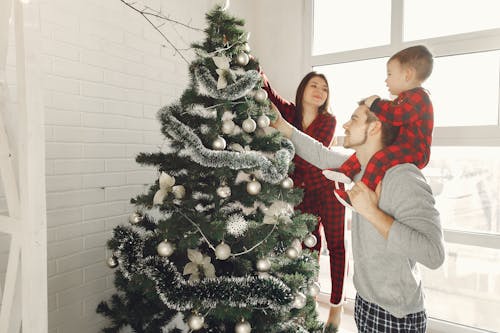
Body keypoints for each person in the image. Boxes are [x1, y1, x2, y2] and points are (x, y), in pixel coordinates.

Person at [271, 101, 445, 333]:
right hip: (365, 303)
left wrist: (372, 212)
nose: (345, 124)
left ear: (374, 128)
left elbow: (434, 254)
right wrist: (282, 125)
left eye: (354, 119)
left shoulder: (404, 176)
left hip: (396, 315)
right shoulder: (360, 168)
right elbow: (321, 154)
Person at [261, 69, 347, 327]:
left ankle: (336, 306)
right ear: (302, 90)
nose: (320, 91)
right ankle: (305, 303)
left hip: (329, 188)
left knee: (336, 248)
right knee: (308, 247)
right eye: (314, 85)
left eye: (325, 88)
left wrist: (284, 146)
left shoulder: (328, 121)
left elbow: (312, 160)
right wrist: (253, 64)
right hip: (302, 193)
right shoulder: (289, 113)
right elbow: (267, 91)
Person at [323, 45, 434, 210]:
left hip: (414, 149)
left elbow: (397, 115)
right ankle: (346, 171)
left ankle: (360, 195)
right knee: (367, 152)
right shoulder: (402, 99)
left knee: (380, 158)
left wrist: (376, 104)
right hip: (400, 144)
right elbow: (389, 117)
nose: (386, 80)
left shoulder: (420, 97)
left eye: (389, 74)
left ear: (408, 75)